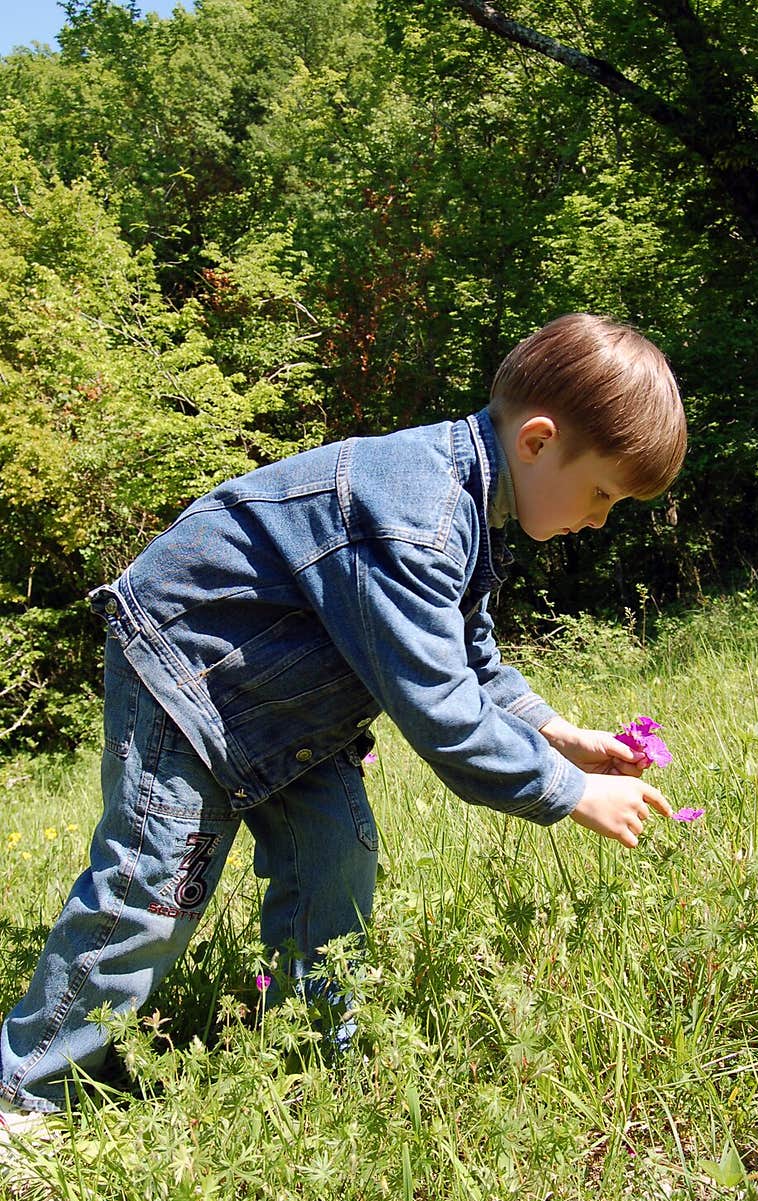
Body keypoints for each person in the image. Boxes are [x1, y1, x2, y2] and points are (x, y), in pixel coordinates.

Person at [0, 311, 686, 1137]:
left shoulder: (468, 505)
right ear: (538, 441)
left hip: (285, 702)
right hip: (188, 671)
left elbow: (468, 655)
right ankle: (30, 1095)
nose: (601, 518)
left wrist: (557, 730)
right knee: (152, 885)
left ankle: (309, 1052)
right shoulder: (419, 512)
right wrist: (568, 790)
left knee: (336, 853)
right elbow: (441, 710)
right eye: (604, 493)